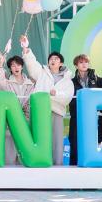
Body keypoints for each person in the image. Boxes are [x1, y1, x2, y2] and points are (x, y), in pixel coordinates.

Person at [19, 36, 74, 166]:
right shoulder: (42, 73)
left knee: (57, 140)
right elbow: (32, 64)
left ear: (61, 63)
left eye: (56, 59)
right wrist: (26, 48)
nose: (53, 60)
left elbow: (68, 96)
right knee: (40, 138)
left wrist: (56, 94)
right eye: (51, 59)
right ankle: (40, 163)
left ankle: (58, 165)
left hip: (57, 111)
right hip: (41, 111)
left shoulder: (67, 79)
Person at [67, 52, 102, 166]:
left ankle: (89, 167)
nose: (84, 64)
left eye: (86, 62)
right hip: (76, 116)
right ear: (76, 65)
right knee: (74, 141)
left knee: (90, 142)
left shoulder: (95, 78)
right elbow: (68, 97)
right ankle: (73, 167)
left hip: (91, 116)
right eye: (81, 62)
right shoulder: (71, 82)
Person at [0, 50, 36, 165]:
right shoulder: (7, 82)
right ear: (10, 68)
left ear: (22, 67)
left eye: (18, 65)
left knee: (24, 151)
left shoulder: (31, 83)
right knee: (10, 152)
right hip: (10, 121)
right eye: (13, 65)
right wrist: (0, 63)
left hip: (25, 120)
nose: (16, 67)